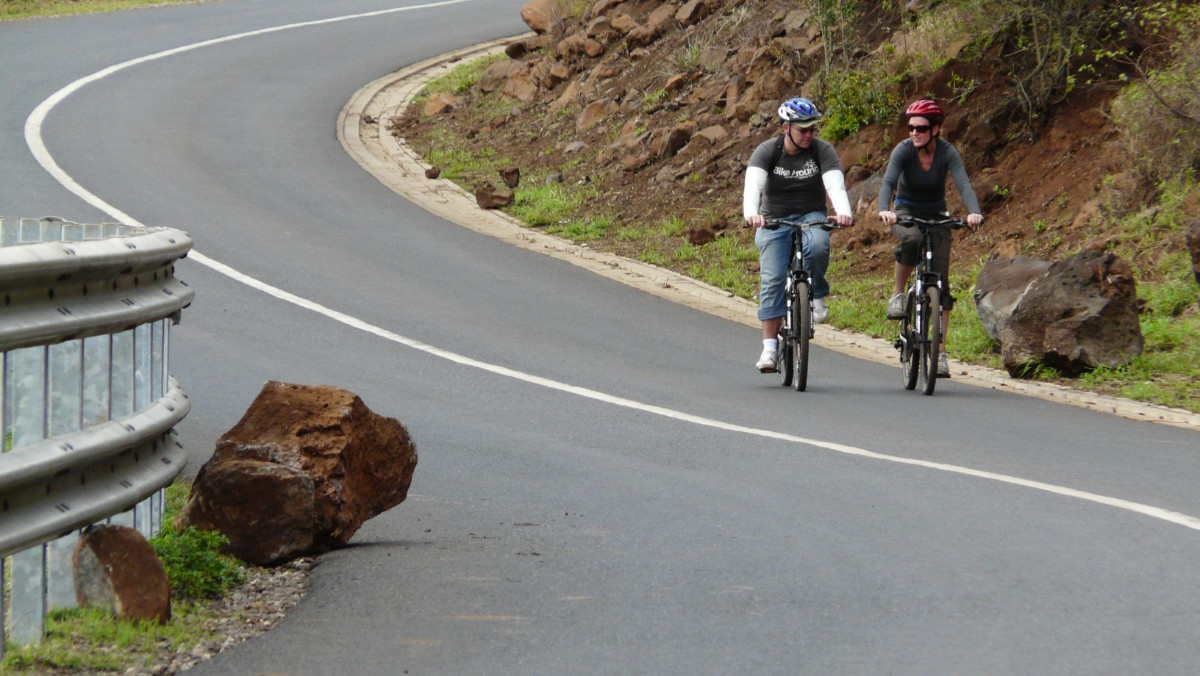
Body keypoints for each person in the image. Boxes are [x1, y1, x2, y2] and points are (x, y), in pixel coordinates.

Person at [744, 97, 854, 373]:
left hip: (811, 215)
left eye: (812, 129)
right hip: (773, 219)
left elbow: (835, 185)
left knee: (818, 245)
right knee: (772, 278)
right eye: (802, 129)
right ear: (786, 128)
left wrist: (843, 212)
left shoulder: (822, 150)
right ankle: (769, 348)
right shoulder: (768, 151)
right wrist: (752, 214)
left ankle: (815, 294)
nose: (808, 135)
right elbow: (753, 186)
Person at [877, 99, 984, 377]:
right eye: (911, 127)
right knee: (911, 240)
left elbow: (963, 184)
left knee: (942, 284)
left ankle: (940, 354)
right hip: (905, 212)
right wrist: (884, 210)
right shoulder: (903, 151)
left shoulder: (947, 152)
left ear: (935, 129)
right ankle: (898, 294)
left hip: (936, 214)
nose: (914, 132)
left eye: (921, 128)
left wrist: (974, 212)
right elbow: (889, 182)